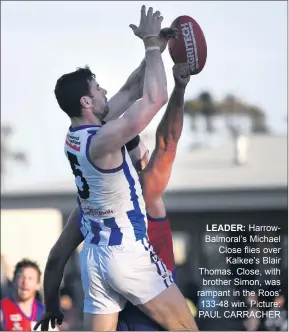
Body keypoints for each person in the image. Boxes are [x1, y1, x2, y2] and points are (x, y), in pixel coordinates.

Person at [52, 5, 195, 331]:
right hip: (126, 256)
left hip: (95, 259)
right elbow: (154, 100)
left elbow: (132, 90)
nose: (104, 90)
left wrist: (155, 52)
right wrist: (148, 42)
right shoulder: (102, 141)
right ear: (87, 102)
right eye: (98, 88)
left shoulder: (77, 135)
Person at [0, 259, 45, 331]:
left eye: (30, 278)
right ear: (14, 280)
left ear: (38, 285)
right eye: (21, 277)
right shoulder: (3, 308)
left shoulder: (45, 313)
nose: (25, 282)